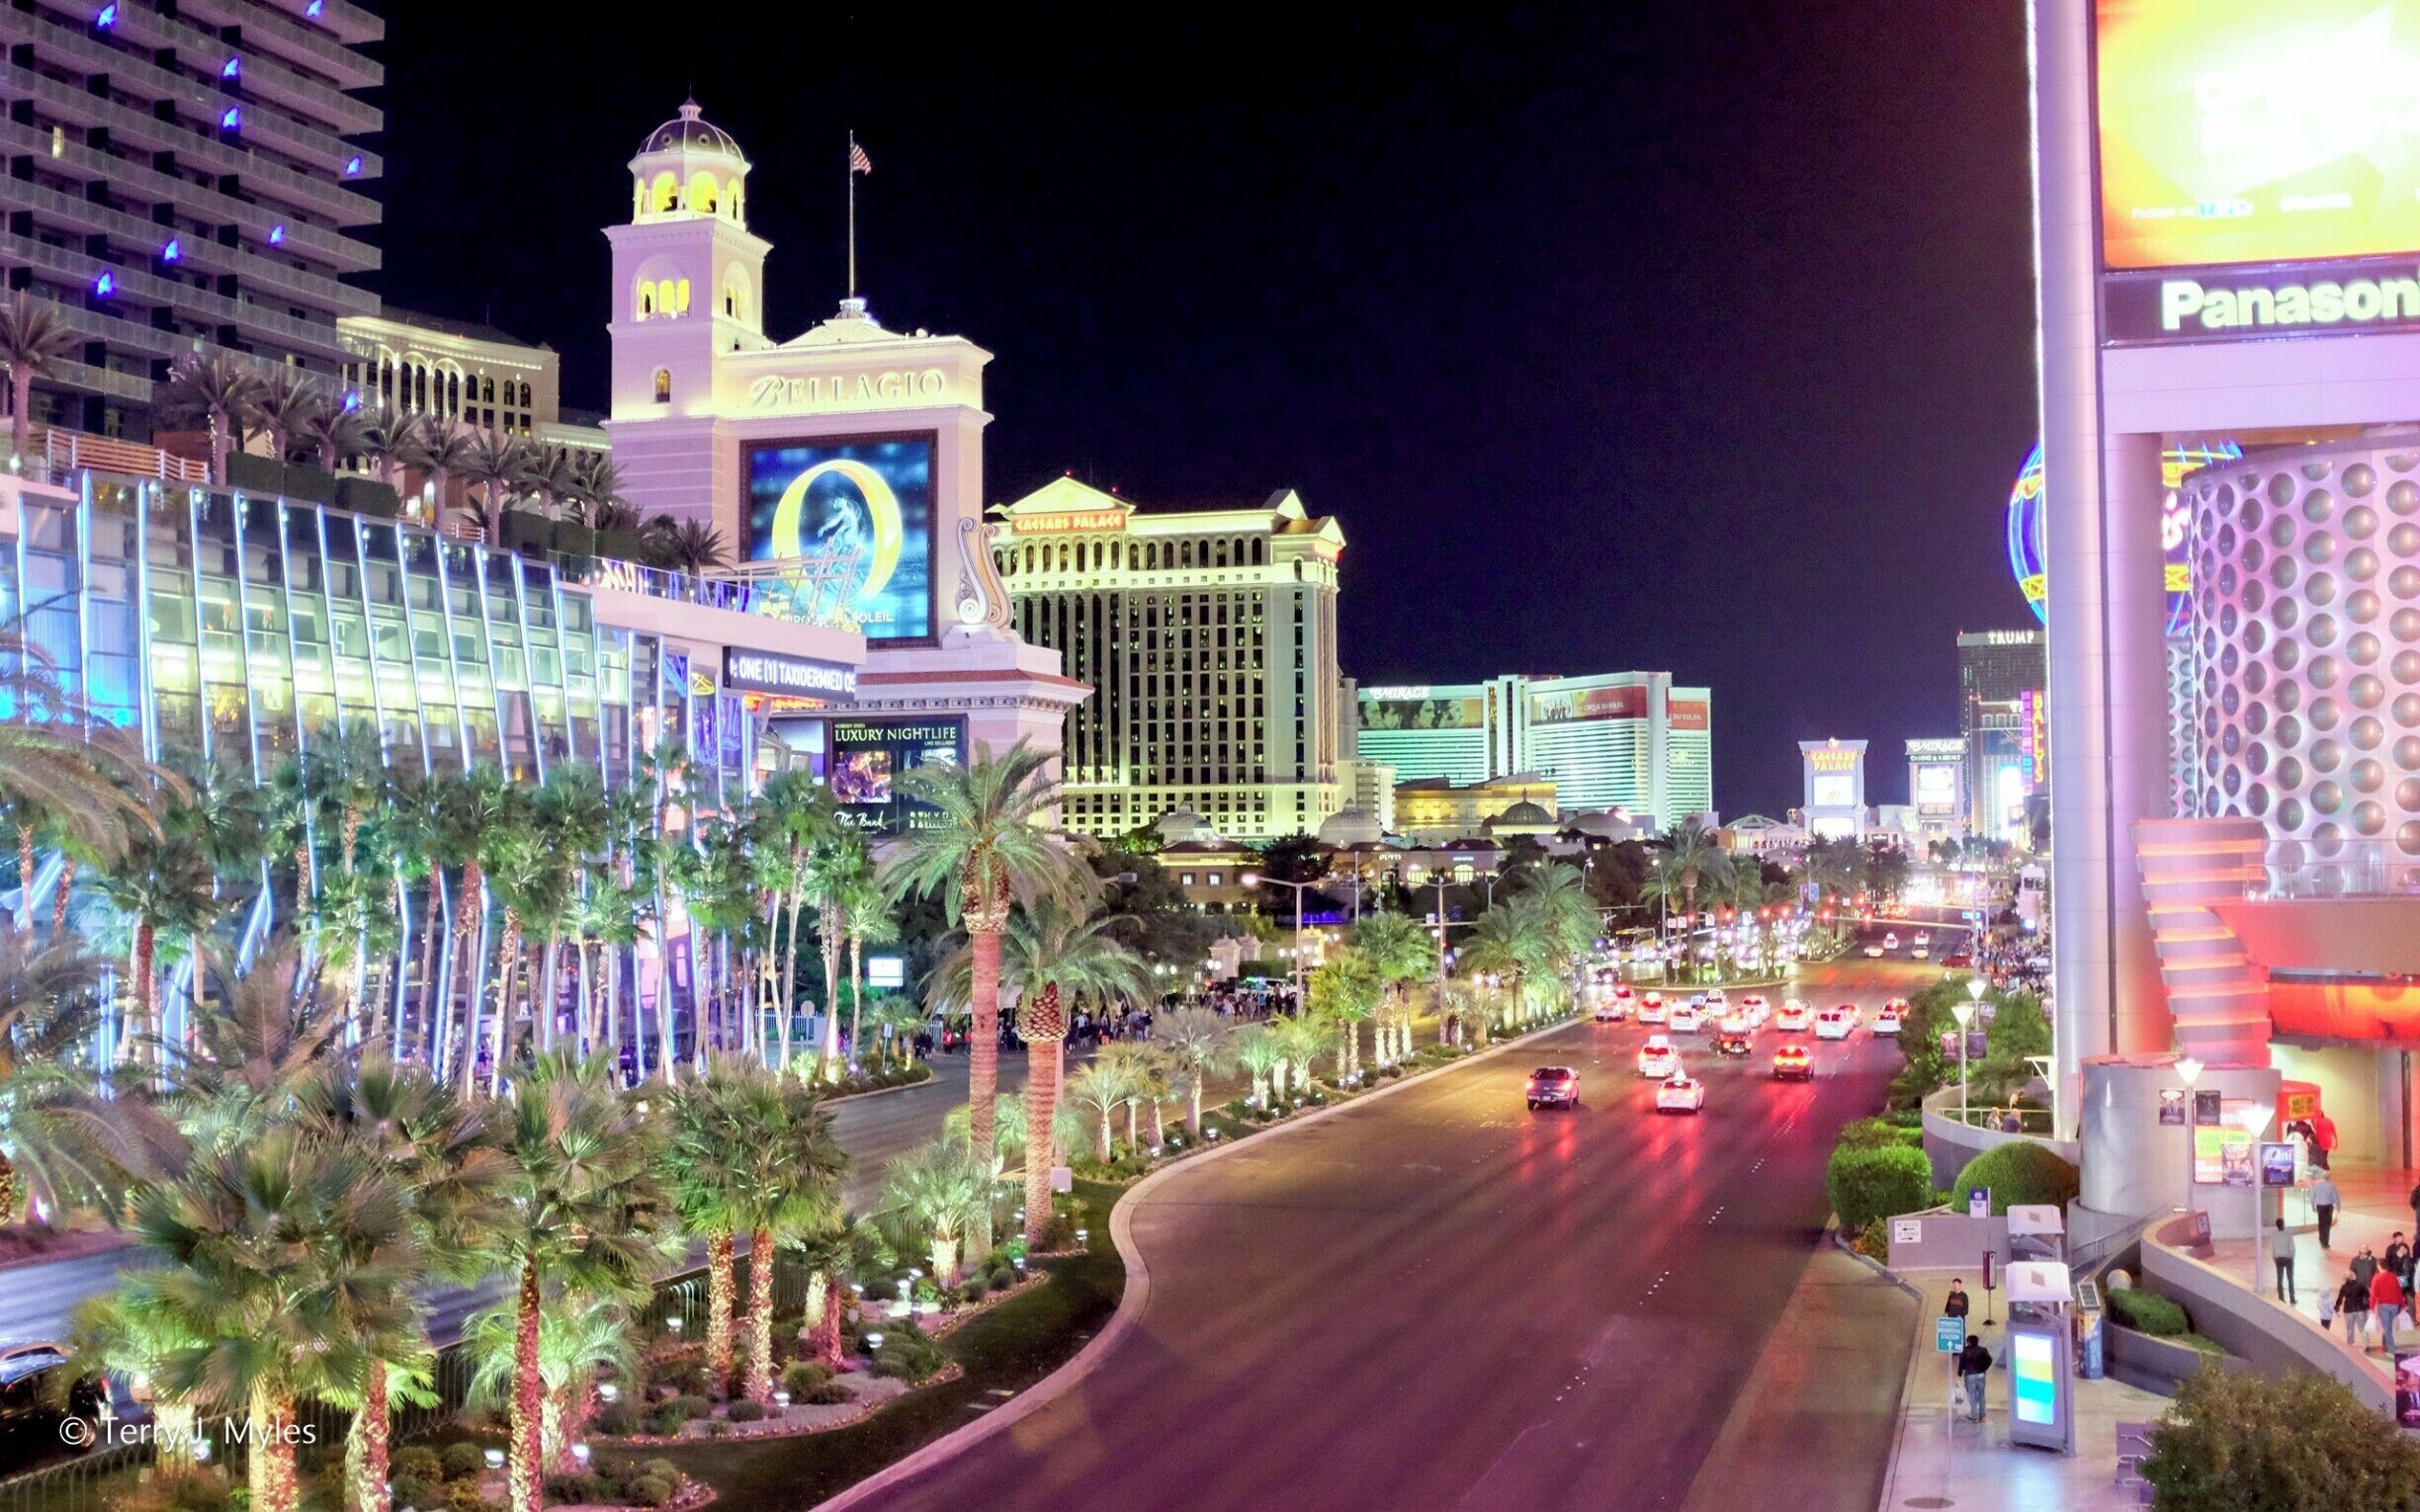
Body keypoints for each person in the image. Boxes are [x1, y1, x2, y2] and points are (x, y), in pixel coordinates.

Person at [2372, 1263, 2407, 1355]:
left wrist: (2371, 1307)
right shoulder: (2393, 1276)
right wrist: (2402, 1305)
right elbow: (2399, 1291)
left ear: (2379, 1266)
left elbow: (2374, 1294)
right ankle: (2386, 1344)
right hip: (2394, 1305)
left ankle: (2390, 1347)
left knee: (2386, 1326)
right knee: (2388, 1325)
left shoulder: (2377, 1277)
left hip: (2383, 1305)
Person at [1957, 1333, 1993, 1422]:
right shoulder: (1983, 1350)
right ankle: (1982, 1414)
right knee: (1981, 1394)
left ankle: (1974, 1416)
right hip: (1981, 1374)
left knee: (1972, 1396)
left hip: (1970, 1375)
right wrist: (1984, 1368)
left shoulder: (1965, 1352)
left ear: (1968, 1342)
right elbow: (1989, 1360)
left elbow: (1961, 1363)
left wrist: (1959, 1373)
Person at [2341, 1270, 2373, 1348]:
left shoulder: (2344, 1287)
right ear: (2354, 1276)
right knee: (2362, 1327)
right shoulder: (2360, 1285)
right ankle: (2366, 1344)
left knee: (2350, 1328)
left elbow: (2340, 1298)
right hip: (2360, 1309)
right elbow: (2368, 1294)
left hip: (2348, 1310)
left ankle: (2350, 1344)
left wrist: (2336, 1307)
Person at [2311, 1171, 2342, 1250]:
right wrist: (2338, 1207)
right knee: (2327, 1225)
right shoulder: (2331, 1186)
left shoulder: (2316, 1186)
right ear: (2329, 1177)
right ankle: (2325, 1242)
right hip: (2328, 1207)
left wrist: (2313, 1207)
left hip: (2319, 1207)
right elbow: (2336, 1198)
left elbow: (2312, 1197)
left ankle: (2321, 1240)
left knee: (2321, 1223)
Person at [2274, 1217, 2297, 1303]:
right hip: (2288, 1258)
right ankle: (2292, 1298)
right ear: (2283, 1225)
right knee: (2290, 1278)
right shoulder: (2288, 1234)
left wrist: (2274, 1257)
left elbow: (2272, 1248)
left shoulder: (2274, 1235)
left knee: (2279, 1279)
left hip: (2279, 1258)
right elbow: (2293, 1247)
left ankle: (2281, 1298)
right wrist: (2292, 1256)